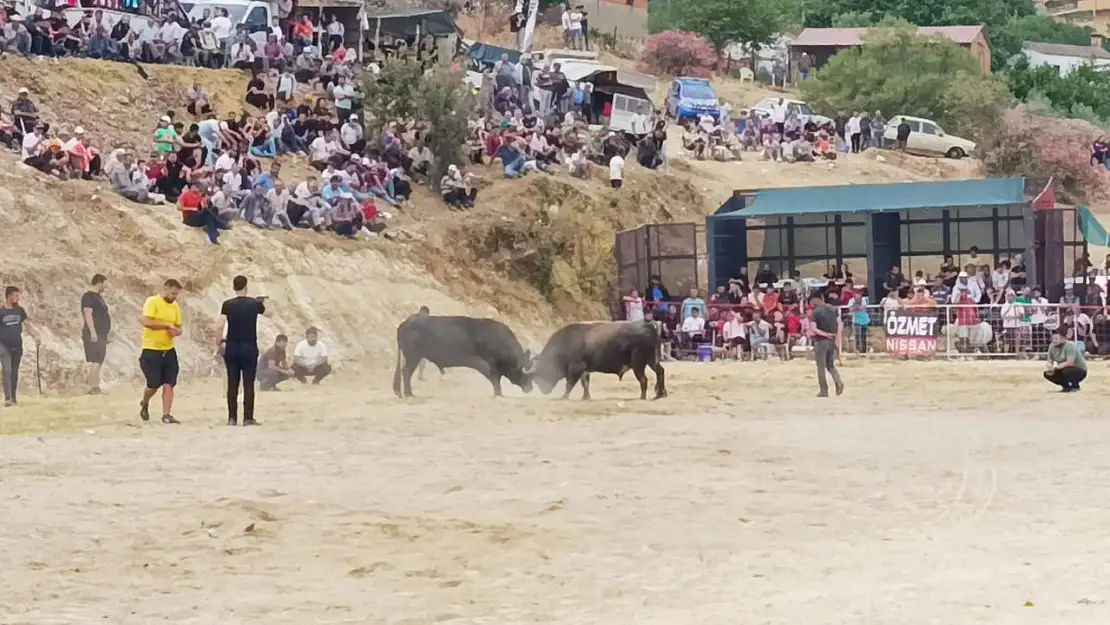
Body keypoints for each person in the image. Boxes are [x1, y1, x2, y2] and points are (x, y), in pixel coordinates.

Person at [219, 275, 266, 426]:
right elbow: (269, 313)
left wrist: (218, 343)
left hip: (232, 346)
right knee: (248, 383)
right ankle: (248, 418)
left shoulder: (227, 305)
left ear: (234, 287)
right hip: (249, 346)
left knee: (232, 383)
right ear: (246, 286)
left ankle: (232, 418)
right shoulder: (255, 304)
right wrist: (263, 302)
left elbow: (219, 325)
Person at [139, 279, 183, 424]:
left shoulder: (175, 307)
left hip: (168, 350)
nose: (174, 297)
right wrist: (166, 325)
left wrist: (176, 331)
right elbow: (146, 322)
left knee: (169, 382)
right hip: (151, 349)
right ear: (165, 289)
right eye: (172, 293)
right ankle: (145, 402)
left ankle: (166, 414)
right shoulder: (152, 302)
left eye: (176, 294)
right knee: (153, 384)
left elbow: (178, 328)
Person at [1, 286, 41, 407]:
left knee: (14, 371)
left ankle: (13, 398)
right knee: (7, 370)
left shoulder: (19, 310)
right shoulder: (1, 312)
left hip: (17, 345)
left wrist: (36, 336)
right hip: (3, 345)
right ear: (9, 296)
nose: (18, 298)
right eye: (16, 295)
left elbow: (27, 324)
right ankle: (8, 399)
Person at [81, 273, 112, 394]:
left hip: (101, 334)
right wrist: (93, 332)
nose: (107, 285)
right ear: (100, 282)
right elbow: (87, 314)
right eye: (106, 282)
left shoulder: (98, 297)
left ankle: (96, 387)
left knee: (99, 360)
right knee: (95, 360)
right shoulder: (89, 296)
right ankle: (92, 388)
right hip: (94, 333)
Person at [808, 294, 844, 397]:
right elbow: (840, 324)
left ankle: (824, 390)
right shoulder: (833, 309)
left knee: (821, 367)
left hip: (821, 341)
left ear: (816, 300)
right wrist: (837, 337)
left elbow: (814, 328)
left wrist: (825, 334)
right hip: (832, 340)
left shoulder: (816, 312)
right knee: (830, 365)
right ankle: (838, 382)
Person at [1044, 328, 1087, 392]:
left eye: (1056, 339)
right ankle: (1066, 387)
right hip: (1062, 368)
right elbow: (1050, 360)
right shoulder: (1051, 346)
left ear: (1063, 339)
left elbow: (1070, 363)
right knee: (1047, 374)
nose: (1054, 341)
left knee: (1066, 371)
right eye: (1052, 339)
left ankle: (1075, 386)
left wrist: (1056, 367)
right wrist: (1049, 366)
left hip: (1079, 369)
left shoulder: (1070, 345)